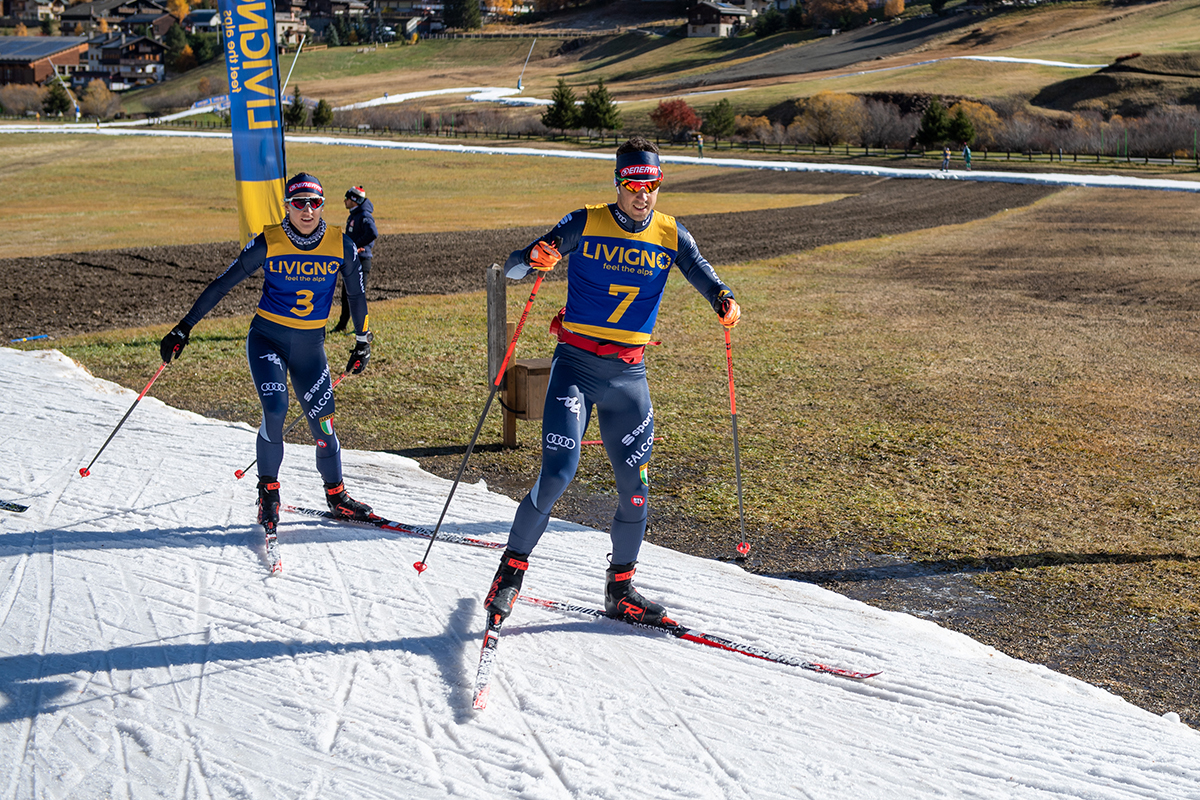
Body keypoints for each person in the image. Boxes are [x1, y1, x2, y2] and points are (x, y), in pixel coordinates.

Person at [483, 136, 741, 628]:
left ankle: (620, 589)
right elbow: (517, 265)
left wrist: (723, 299)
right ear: (618, 183)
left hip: (629, 377)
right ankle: (509, 576)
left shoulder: (671, 234)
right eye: (633, 185)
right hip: (576, 370)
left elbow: (706, 276)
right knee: (557, 475)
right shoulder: (585, 220)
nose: (642, 195)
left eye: (652, 185)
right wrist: (536, 256)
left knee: (636, 489)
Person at [159, 172, 376, 542]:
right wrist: (184, 327)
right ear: (287, 206)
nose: (307, 211)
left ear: (322, 205)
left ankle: (337, 495)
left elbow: (355, 295)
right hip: (268, 341)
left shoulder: (341, 243)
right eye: (298, 203)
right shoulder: (269, 241)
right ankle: (268, 494)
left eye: (315, 203)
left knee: (323, 424)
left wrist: (362, 338)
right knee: (275, 409)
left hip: (311, 348)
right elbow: (222, 283)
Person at [332, 185, 377, 333]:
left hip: (361, 260)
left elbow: (372, 233)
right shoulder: (354, 214)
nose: (344, 200)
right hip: (351, 261)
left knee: (357, 296)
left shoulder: (364, 215)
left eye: (347, 198)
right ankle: (342, 325)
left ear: (354, 199)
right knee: (346, 296)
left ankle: (363, 329)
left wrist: (357, 245)